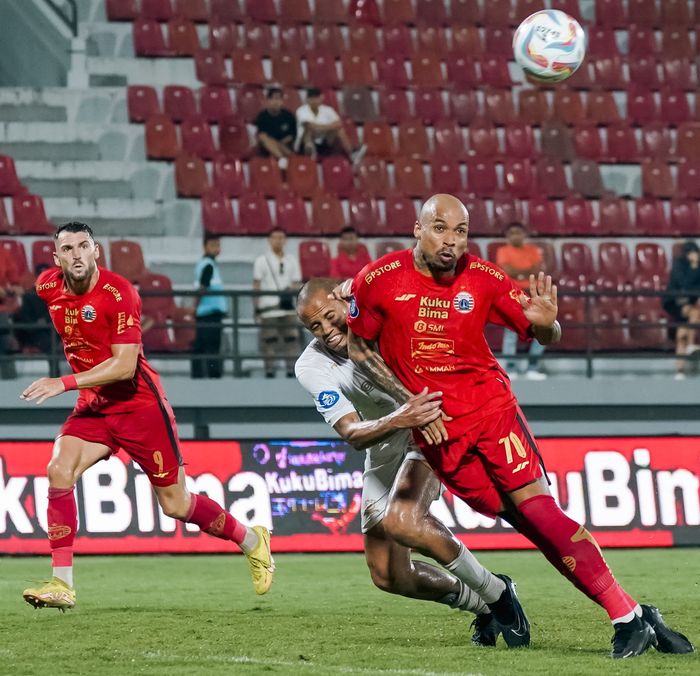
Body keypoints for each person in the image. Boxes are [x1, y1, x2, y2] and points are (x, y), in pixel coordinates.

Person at [345, 194, 694, 659]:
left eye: (462, 231)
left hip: (493, 415)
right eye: (441, 229)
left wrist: (549, 327)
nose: (451, 242)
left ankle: (625, 618)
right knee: (533, 528)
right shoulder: (379, 280)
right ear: (417, 229)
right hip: (441, 436)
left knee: (541, 515)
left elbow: (544, 331)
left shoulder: (485, 278)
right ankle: (639, 614)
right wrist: (409, 403)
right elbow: (359, 349)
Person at [20, 222, 274, 611]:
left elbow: (124, 366)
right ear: (56, 259)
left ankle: (252, 540)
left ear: (96, 251)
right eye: (67, 249)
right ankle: (62, 583)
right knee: (58, 469)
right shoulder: (47, 286)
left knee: (176, 505)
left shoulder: (119, 293)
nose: (76, 255)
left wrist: (64, 381)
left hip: (140, 407)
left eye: (83, 246)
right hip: (94, 407)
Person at [296, 278, 530, 648]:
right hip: (385, 441)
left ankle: (498, 595)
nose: (327, 331)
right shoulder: (311, 366)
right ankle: (484, 605)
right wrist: (398, 417)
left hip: (431, 427)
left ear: (346, 301)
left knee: (404, 521)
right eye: (315, 327)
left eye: (329, 316)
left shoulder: (386, 319)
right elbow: (352, 433)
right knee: (388, 575)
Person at [495, 222, 547, 380]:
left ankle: (533, 366)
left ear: (525, 235)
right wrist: (527, 273)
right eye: (512, 233)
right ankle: (510, 367)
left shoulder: (533, 250)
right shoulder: (503, 251)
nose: (516, 236)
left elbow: (538, 270)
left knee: (541, 328)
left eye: (519, 232)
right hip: (513, 293)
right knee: (511, 331)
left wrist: (518, 274)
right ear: (507, 236)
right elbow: (507, 271)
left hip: (535, 293)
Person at [253, 228, 302, 378]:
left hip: (287, 308)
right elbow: (257, 285)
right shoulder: (262, 260)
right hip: (268, 308)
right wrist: (256, 308)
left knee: (291, 339)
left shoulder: (291, 260)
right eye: (275, 238)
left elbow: (297, 282)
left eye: (281, 238)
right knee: (269, 340)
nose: (278, 241)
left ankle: (291, 370)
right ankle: (269, 370)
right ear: (269, 240)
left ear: (285, 240)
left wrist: (289, 290)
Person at [296, 88, 365, 166]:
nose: (314, 101)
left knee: (339, 131)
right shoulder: (301, 110)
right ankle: (310, 157)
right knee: (308, 131)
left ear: (321, 98)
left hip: (324, 140)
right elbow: (309, 125)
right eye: (312, 98)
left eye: (316, 98)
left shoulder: (328, 110)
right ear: (308, 99)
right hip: (306, 143)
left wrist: (321, 128)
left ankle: (352, 153)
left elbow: (338, 124)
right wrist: (328, 127)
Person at [14, 263, 60, 377]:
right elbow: (24, 318)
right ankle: (55, 376)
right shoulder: (29, 296)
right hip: (35, 333)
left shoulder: (57, 295)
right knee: (49, 344)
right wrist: (37, 323)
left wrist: (46, 320)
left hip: (53, 331)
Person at [662, 240, 700, 380]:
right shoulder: (679, 265)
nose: (693, 256)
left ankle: (680, 371)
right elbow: (685, 285)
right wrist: (695, 266)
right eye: (691, 253)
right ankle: (690, 346)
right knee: (694, 313)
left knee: (682, 334)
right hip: (676, 302)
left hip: (692, 303)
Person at [192, 234, 226, 379]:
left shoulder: (208, 264)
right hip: (209, 313)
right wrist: (195, 306)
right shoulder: (208, 265)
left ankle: (200, 376)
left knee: (203, 346)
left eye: (218, 245)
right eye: (212, 245)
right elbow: (203, 287)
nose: (216, 248)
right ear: (205, 247)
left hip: (207, 312)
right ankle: (212, 377)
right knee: (211, 347)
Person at [253, 86, 297, 171]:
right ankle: (281, 159)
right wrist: (274, 146)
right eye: (272, 99)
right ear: (267, 101)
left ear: (282, 101)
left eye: (278, 99)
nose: (275, 102)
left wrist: (278, 144)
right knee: (263, 137)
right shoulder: (262, 116)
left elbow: (292, 135)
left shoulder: (289, 115)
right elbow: (262, 136)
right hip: (267, 149)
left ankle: (282, 159)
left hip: (285, 147)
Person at [0, 244, 22, 379]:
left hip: (2, 310)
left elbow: (16, 284)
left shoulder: (3, 253)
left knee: (6, 341)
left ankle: (10, 385)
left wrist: (13, 289)